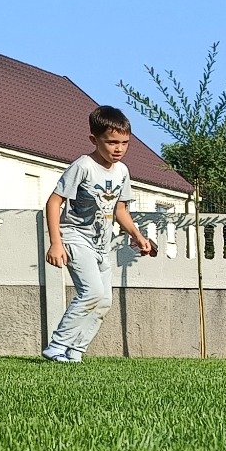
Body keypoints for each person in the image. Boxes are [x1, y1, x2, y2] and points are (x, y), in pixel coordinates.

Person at [41, 106, 157, 363]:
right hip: (74, 236)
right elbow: (53, 202)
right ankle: (57, 346)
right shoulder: (83, 166)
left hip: (102, 244)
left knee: (103, 301)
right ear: (94, 139)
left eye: (125, 143)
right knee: (91, 292)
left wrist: (138, 237)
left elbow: (120, 209)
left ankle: (75, 352)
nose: (119, 148)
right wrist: (56, 243)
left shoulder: (122, 171)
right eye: (112, 142)